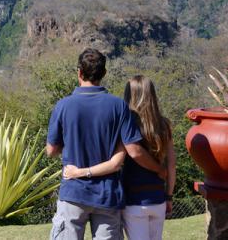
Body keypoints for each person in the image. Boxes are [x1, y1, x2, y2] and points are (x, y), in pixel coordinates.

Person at [46, 48, 166, 240]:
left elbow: (51, 150)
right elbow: (132, 150)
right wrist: (159, 169)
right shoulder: (119, 106)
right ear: (104, 73)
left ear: (79, 72)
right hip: (107, 195)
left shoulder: (63, 105)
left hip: (73, 192)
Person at [63, 75, 176, 240]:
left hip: (134, 200)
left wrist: (80, 172)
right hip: (158, 199)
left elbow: (129, 155)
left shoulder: (127, 123)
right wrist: (169, 196)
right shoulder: (164, 125)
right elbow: (171, 165)